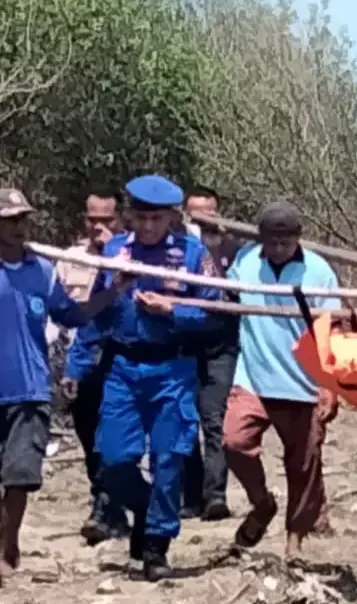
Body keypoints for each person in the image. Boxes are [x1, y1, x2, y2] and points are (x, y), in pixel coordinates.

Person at [0, 188, 121, 586]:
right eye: (10, 219)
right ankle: (10, 531)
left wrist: (113, 291)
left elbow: (72, 315)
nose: (19, 226)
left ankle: (4, 549)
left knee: (20, 474)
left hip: (32, 389)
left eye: (23, 219)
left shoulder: (42, 272)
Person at [94, 174, 221, 581]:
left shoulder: (193, 255)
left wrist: (174, 311)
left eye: (157, 219)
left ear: (171, 218)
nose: (148, 227)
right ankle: (148, 510)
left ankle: (155, 548)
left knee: (170, 458)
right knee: (112, 460)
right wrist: (115, 288)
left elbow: (217, 314)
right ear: (130, 217)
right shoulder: (115, 251)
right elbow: (97, 313)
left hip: (173, 368)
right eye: (141, 218)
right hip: (124, 368)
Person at [223, 201, 340, 560]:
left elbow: (333, 331)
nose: (276, 250)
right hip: (253, 375)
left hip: (303, 382)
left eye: (284, 243)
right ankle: (261, 503)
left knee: (303, 463)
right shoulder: (245, 261)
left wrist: (330, 386)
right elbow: (223, 292)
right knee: (233, 441)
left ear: (298, 240)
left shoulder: (319, 272)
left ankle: (295, 539)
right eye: (270, 243)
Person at [60, 188, 131, 544]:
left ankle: (108, 508)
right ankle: (108, 507)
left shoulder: (132, 255)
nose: (99, 227)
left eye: (107, 220)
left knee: (113, 440)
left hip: (122, 363)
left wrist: (112, 253)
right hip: (83, 360)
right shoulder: (69, 259)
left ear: (120, 220)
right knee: (90, 440)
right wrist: (67, 365)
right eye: (93, 219)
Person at [178, 186, 241, 521]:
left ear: (219, 213)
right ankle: (191, 497)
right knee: (186, 421)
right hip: (185, 347)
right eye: (195, 212)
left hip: (223, 348)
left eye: (208, 212)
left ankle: (215, 495)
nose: (202, 219)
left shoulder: (237, 251)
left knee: (214, 421)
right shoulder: (180, 250)